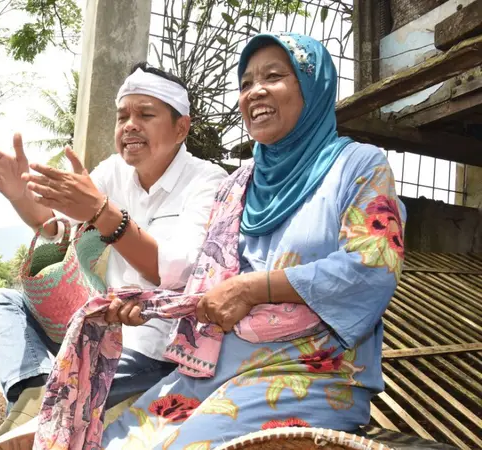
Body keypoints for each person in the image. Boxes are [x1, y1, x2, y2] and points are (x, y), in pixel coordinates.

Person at [25, 32, 407, 449]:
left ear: (312, 87)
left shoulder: (358, 166)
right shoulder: (239, 184)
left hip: (310, 373)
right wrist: (147, 303)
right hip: (215, 368)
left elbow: (373, 264)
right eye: (245, 83)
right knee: (114, 441)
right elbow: (206, 283)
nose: (255, 91)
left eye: (274, 76)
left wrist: (253, 288)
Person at [0, 62, 228, 438]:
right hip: (96, 323)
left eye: (145, 114)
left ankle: (43, 406)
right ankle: (36, 385)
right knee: (2, 303)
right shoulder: (113, 171)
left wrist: (104, 214)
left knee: (46, 417)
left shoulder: (209, 182)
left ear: (181, 128)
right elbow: (55, 228)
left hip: (149, 343)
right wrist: (19, 195)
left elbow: (177, 271)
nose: (129, 125)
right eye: (123, 115)